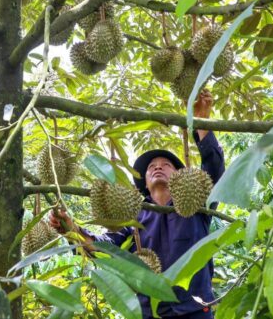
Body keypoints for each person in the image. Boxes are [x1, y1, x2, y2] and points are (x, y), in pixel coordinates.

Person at [49, 89, 225, 319]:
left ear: (181, 177)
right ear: (144, 183)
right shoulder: (135, 217)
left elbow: (214, 170)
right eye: (152, 167)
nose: (157, 167)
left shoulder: (196, 206)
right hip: (148, 313)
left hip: (194, 311)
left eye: (166, 164)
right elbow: (106, 248)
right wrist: (73, 231)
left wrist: (201, 119)